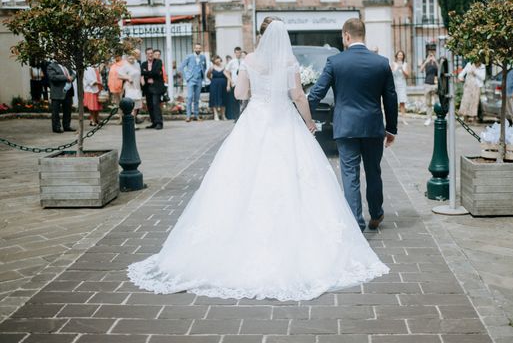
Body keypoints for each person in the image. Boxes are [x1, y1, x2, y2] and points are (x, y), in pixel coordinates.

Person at [128, 18, 389, 301]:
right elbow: (299, 96)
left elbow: (240, 93)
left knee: (240, 179)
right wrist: (310, 124)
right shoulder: (288, 62)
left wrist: (254, 86)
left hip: (255, 121)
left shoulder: (250, 59)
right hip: (284, 122)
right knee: (297, 178)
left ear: (261, 36)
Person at [309, 18, 398, 232]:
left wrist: (305, 116)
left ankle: (355, 221)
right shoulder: (381, 62)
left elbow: (316, 93)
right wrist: (391, 129)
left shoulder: (335, 62)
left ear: (346, 36)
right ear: (363, 35)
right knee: (373, 171)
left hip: (346, 127)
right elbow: (391, 98)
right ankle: (376, 214)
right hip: (373, 127)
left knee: (350, 174)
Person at [179, 43, 208, 122]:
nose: (198, 49)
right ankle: (188, 116)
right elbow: (181, 67)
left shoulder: (203, 57)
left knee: (197, 98)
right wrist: (187, 77)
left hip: (199, 79)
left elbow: (205, 67)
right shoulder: (189, 56)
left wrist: (202, 75)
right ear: (194, 49)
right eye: (197, 48)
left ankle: (196, 115)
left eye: (199, 48)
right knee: (190, 97)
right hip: (191, 79)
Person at [47, 61, 75, 133]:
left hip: (68, 91)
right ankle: (56, 127)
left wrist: (72, 77)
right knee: (56, 111)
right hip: (57, 92)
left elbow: (73, 73)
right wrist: (66, 78)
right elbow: (52, 77)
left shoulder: (67, 65)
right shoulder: (51, 66)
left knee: (68, 110)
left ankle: (67, 126)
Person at [141, 47, 164, 130]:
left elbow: (157, 73)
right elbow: (142, 72)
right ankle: (154, 122)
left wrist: (146, 73)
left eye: (151, 53)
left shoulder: (158, 62)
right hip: (147, 88)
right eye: (148, 53)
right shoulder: (143, 64)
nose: (150, 55)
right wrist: (150, 73)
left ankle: (159, 123)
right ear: (146, 55)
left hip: (156, 87)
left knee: (155, 104)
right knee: (150, 106)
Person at [119, 54, 144, 128]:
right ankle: (131, 124)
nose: (131, 58)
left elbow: (140, 74)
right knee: (131, 106)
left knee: (136, 107)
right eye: (129, 56)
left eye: (132, 56)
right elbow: (119, 75)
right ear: (127, 57)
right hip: (129, 88)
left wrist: (142, 81)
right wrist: (127, 77)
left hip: (137, 88)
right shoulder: (125, 65)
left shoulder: (137, 64)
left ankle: (133, 122)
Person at [391, 50, 410, 125]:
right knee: (394, 102)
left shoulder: (405, 64)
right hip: (395, 85)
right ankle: (394, 119)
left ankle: (404, 119)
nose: (400, 56)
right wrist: (396, 68)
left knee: (402, 102)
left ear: (403, 56)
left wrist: (402, 68)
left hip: (402, 84)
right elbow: (391, 74)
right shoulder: (393, 64)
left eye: (401, 55)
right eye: (399, 55)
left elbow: (407, 76)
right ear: (396, 56)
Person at [419, 51, 438, 126]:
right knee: (428, 102)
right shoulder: (426, 62)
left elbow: (440, 70)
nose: (431, 56)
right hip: (427, 83)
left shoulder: (436, 62)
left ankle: (437, 116)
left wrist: (435, 61)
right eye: (430, 55)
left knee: (437, 102)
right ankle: (428, 118)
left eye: (432, 55)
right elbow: (421, 70)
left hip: (435, 84)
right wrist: (426, 62)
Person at [224, 47, 243, 120]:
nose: (238, 54)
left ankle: (241, 116)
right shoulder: (232, 62)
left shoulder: (243, 61)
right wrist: (230, 80)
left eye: (240, 53)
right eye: (237, 53)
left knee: (242, 100)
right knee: (235, 101)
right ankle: (236, 117)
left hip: (242, 84)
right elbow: (225, 72)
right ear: (235, 53)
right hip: (234, 83)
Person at [207, 55, 227, 121]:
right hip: (214, 84)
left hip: (223, 84)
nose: (217, 60)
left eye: (218, 58)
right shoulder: (212, 67)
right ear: (214, 61)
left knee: (223, 98)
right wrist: (211, 80)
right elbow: (208, 75)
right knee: (214, 99)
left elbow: (228, 75)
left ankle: (223, 115)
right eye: (216, 59)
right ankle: (216, 115)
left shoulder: (224, 67)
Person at [107, 55, 125, 122]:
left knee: (123, 103)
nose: (116, 57)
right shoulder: (113, 65)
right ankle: (120, 118)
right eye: (115, 56)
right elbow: (110, 75)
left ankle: (124, 118)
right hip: (114, 87)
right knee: (118, 104)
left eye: (118, 56)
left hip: (121, 87)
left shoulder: (123, 64)